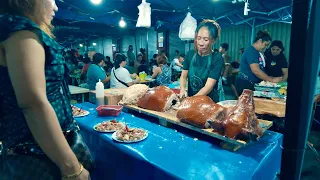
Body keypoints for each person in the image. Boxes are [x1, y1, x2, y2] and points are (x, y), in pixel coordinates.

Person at [0, 0, 91, 179]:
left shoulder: (13, 28)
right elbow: (33, 103)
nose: (56, 7)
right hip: (36, 155)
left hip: (37, 150)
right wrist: (72, 168)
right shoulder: (21, 30)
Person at [179, 19, 224, 102]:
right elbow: (183, 76)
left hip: (209, 102)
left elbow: (208, 87)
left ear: (213, 40)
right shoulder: (190, 54)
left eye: (205, 40)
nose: (200, 43)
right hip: (191, 99)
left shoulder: (217, 58)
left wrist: (190, 100)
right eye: (198, 38)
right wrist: (182, 89)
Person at [235, 31, 282, 95]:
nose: (265, 47)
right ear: (260, 41)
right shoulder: (251, 51)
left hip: (251, 83)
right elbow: (256, 71)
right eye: (265, 45)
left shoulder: (257, 52)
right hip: (245, 84)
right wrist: (271, 79)